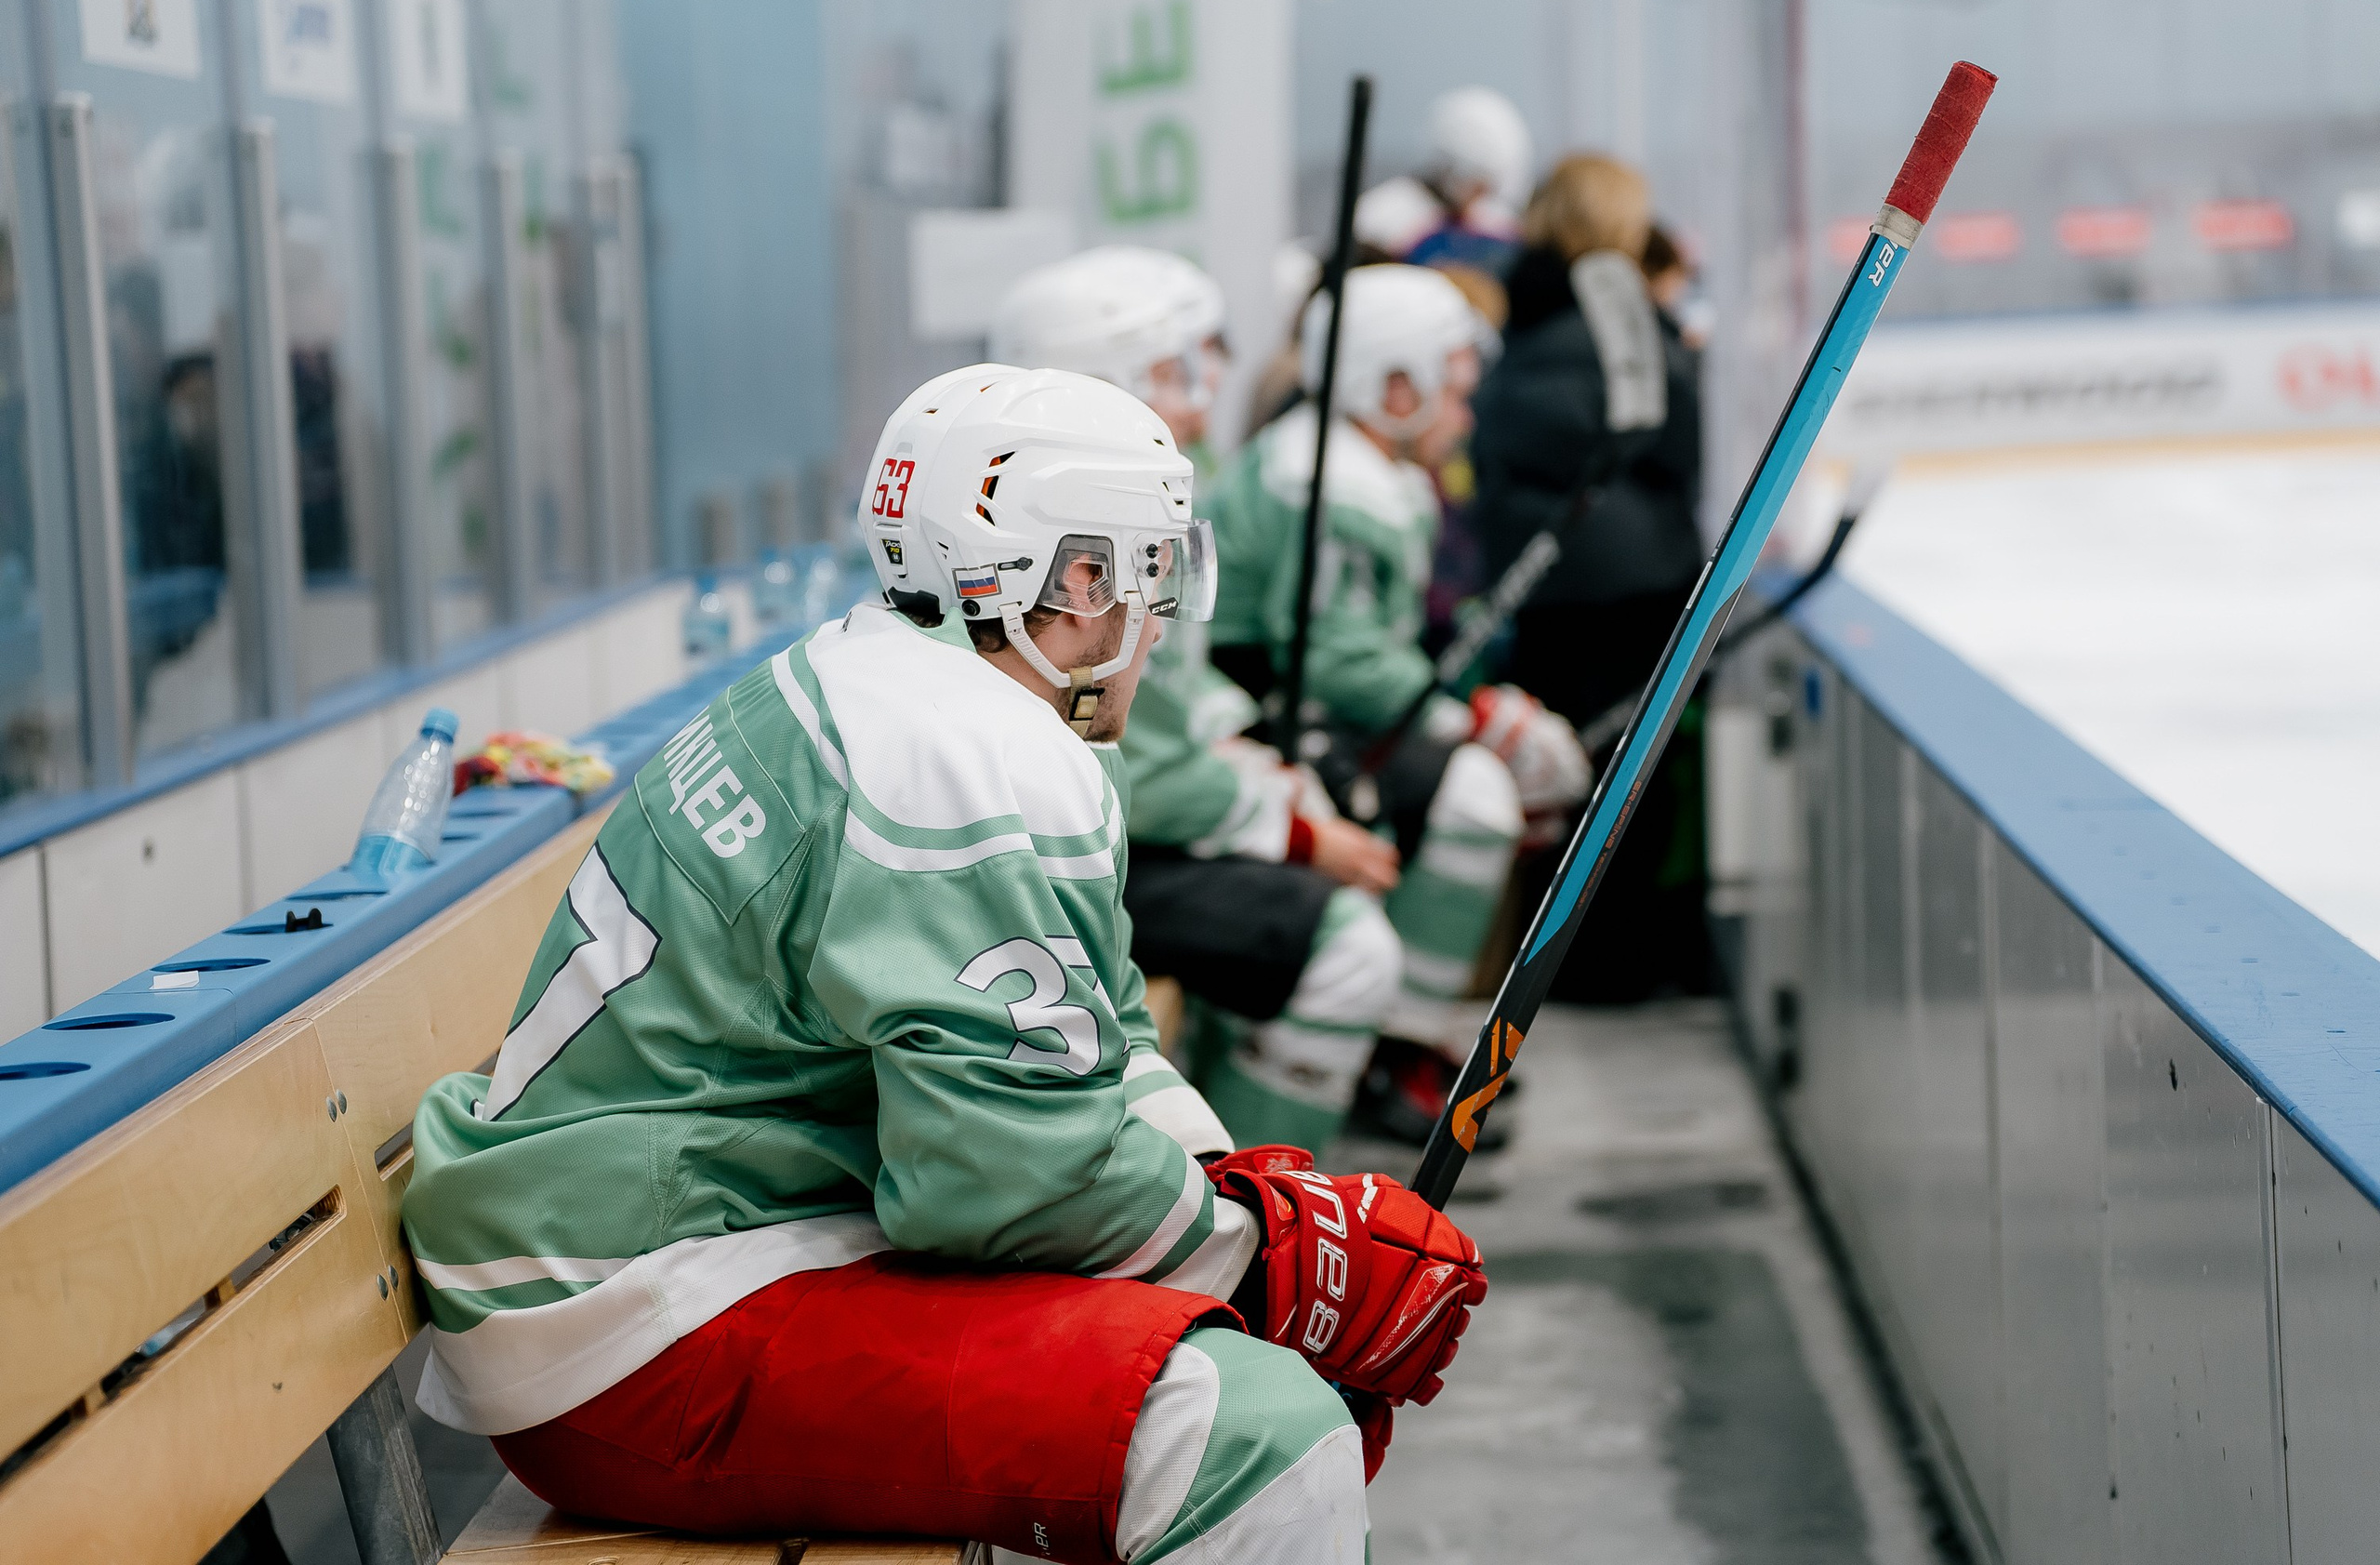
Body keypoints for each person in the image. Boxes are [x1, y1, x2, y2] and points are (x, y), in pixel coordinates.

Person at [401, 365, 1488, 1563]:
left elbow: (1101, 1049)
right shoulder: (969, 757)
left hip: (667, 1250)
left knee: (1188, 1362)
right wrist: (1274, 1262)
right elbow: (1006, 1190)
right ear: (1080, 578)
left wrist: (1245, 1208)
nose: (1161, 618)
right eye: (1152, 570)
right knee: (1259, 1446)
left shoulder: (886, 683)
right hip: (642, 1324)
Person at [993, 249, 1410, 1156]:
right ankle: (1261, 1220)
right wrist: (1292, 830)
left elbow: (1173, 700)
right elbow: (1122, 757)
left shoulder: (1124, 508)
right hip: (1070, 860)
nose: (1203, 394)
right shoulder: (1069, 543)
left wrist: (1251, 760)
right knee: (1349, 949)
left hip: (1121, 832)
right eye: (1178, 372)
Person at [1206, 264, 1586, 1137]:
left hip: (1291, 708)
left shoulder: (1350, 462)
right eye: (1451, 391)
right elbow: (1335, 661)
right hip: (1267, 718)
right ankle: (1394, 1048)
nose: (1466, 413)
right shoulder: (1333, 482)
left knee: (1475, 782)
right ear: (1395, 387)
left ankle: (1398, 1037)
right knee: (1476, 797)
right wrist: (1470, 719)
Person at [1470, 155, 1711, 1002]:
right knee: (1631, 784)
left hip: (1544, 585)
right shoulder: (1625, 317)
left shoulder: (1523, 308)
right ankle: (1619, 964)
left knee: (1561, 778)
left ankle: (1558, 961)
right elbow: (1680, 438)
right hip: (1633, 584)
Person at [1353, 87, 1533, 275]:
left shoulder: (1499, 223)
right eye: (1478, 184)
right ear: (1451, 169)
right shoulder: (1383, 215)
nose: (1481, 195)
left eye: (1488, 188)